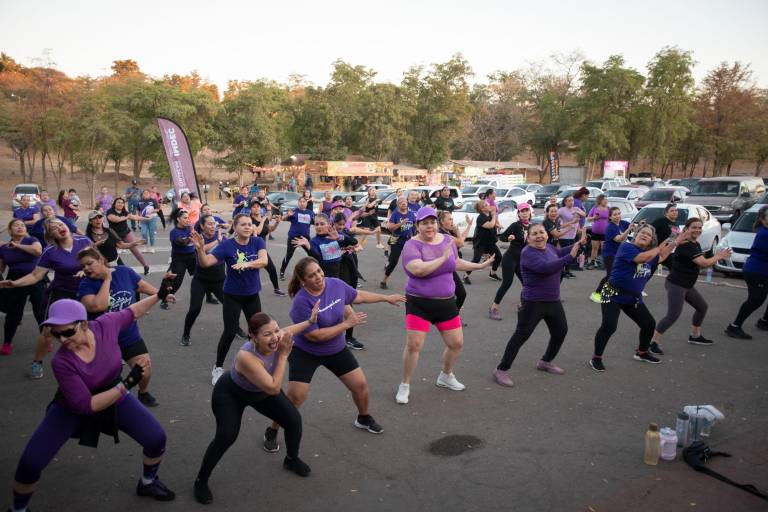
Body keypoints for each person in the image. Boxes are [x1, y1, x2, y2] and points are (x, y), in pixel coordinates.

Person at [9, 295, 176, 511]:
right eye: (56, 334)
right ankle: (18, 509)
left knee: (156, 438)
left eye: (68, 332)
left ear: (84, 323)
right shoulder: (62, 361)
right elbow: (86, 405)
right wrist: (127, 384)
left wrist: (159, 295)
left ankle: (148, 482)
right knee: (30, 463)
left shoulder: (105, 325)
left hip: (114, 392)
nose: (63, 339)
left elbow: (132, 311)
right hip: (72, 406)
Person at [263, 257, 404, 450]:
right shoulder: (301, 302)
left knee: (360, 385)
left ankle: (363, 417)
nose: (319, 277)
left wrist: (386, 298)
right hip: (306, 352)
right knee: (295, 397)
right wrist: (346, 324)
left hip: (335, 349)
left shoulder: (335, 285)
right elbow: (315, 336)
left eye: (319, 271)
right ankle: (273, 428)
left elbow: (358, 295)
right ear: (303, 281)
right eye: (312, 276)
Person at [193, 309, 319, 504]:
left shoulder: (279, 336)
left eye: (276, 330)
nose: (275, 337)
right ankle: (201, 480)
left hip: (259, 393)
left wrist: (310, 321)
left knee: (294, 420)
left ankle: (291, 459)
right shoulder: (246, 356)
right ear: (253, 336)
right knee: (226, 436)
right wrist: (284, 355)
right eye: (267, 334)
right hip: (231, 394)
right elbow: (273, 387)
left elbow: (292, 329)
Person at [395, 207, 495, 404]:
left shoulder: (448, 240)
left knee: (456, 343)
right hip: (419, 303)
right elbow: (418, 270)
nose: (429, 226)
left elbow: (455, 262)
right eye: (424, 223)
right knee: (414, 345)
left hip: (446, 302)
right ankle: (404, 384)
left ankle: (445, 376)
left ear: (437, 223)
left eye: (432, 222)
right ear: (418, 226)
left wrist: (480, 266)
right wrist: (441, 258)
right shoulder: (411, 245)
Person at [492, 224, 587, 388]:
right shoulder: (527, 253)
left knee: (560, 331)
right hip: (533, 303)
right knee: (521, 335)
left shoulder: (549, 247)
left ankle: (545, 361)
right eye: (534, 234)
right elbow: (546, 268)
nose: (539, 236)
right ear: (528, 238)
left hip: (553, 301)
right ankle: (501, 369)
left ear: (547, 235)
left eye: (541, 232)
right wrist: (570, 257)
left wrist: (577, 244)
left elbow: (560, 253)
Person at [0, 219, 92, 379]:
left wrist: (88, 269)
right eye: (53, 228)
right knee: (48, 331)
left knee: (92, 326)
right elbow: (36, 275)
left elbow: (99, 261)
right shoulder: (50, 251)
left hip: (86, 291)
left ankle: (96, 356)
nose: (58, 227)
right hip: (61, 292)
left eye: (60, 224)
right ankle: (37, 362)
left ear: (67, 226)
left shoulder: (84, 241)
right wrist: (15, 283)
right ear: (51, 235)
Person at [77, 247, 168, 407]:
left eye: (89, 263)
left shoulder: (124, 271)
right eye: (82, 266)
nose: (85, 268)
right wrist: (107, 280)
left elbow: (143, 286)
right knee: (109, 379)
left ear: (100, 259)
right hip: (102, 340)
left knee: (145, 370)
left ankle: (143, 392)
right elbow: (98, 306)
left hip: (128, 335)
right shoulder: (86, 285)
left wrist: (163, 295)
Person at [588, 225, 680, 372]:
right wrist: (661, 246)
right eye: (642, 232)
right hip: (611, 292)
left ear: (651, 240)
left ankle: (642, 352)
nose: (644, 235)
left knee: (649, 324)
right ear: (636, 235)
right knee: (609, 325)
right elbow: (641, 259)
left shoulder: (650, 254)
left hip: (632, 297)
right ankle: (596, 358)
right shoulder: (627, 247)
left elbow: (661, 257)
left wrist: (676, 241)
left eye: (648, 235)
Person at [190, 214, 268, 385]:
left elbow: (264, 260)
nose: (248, 227)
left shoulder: (257, 242)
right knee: (230, 332)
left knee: (257, 332)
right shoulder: (227, 245)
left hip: (252, 295)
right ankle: (217, 367)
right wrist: (200, 249)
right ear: (235, 227)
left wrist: (247, 264)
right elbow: (206, 263)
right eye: (243, 224)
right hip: (232, 295)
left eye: (249, 224)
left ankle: (254, 365)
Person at [651, 218, 732, 352]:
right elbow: (704, 263)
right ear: (686, 229)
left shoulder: (695, 243)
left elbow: (697, 264)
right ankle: (653, 343)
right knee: (673, 315)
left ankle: (695, 336)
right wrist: (719, 256)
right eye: (694, 227)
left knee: (702, 307)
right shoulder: (687, 245)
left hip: (686, 285)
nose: (697, 230)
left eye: (699, 228)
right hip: (676, 285)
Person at [0, 220, 45, 356]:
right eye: (16, 225)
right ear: (10, 230)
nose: (19, 227)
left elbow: (37, 251)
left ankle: (44, 339)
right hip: (15, 280)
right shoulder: (4, 248)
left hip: (35, 278)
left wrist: (18, 246)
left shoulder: (32, 240)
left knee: (40, 311)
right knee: (13, 313)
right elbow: (1, 268)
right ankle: (7, 342)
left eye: (22, 225)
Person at [181, 215, 226, 346]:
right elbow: (201, 249)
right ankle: (186, 333)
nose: (213, 226)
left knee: (230, 306)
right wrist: (218, 241)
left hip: (219, 280)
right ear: (202, 226)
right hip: (201, 280)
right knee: (194, 309)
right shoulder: (197, 238)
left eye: (214, 224)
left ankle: (235, 328)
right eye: (209, 224)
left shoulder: (222, 237)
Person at [726, 205, 768, 339]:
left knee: (758, 298)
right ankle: (734, 326)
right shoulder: (764, 234)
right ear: (763, 219)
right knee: (755, 299)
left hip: (762, 270)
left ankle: (764, 322)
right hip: (757, 271)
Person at [489, 203, 532, 321]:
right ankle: (493, 308)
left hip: (522, 260)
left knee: (527, 283)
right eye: (522, 211)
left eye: (526, 211)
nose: (524, 213)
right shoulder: (515, 225)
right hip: (510, 258)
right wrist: (508, 238)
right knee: (507, 283)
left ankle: (524, 305)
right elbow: (502, 237)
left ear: (530, 212)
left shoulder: (532, 227)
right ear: (518, 213)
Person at [590, 208, 635, 303]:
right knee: (610, 275)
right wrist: (628, 229)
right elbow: (618, 239)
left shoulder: (622, 223)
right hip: (609, 253)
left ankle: (621, 291)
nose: (618, 216)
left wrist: (639, 226)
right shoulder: (609, 227)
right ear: (610, 217)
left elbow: (633, 227)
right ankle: (597, 293)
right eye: (615, 214)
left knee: (623, 272)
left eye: (619, 213)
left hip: (620, 253)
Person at [292, 213, 358, 279]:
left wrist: (339, 237)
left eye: (322, 224)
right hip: (325, 276)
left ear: (328, 224)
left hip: (341, 273)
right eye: (316, 224)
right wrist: (308, 247)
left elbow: (354, 242)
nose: (319, 226)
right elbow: (317, 259)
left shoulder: (335, 234)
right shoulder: (314, 241)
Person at [437, 211, 473, 316]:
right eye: (449, 219)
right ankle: (451, 317)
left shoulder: (446, 231)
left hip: (449, 267)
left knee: (459, 294)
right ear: (442, 222)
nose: (452, 221)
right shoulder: (442, 234)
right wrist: (457, 231)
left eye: (452, 219)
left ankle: (452, 316)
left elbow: (461, 239)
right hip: (443, 269)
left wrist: (469, 225)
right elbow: (461, 242)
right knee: (458, 294)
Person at [380, 197, 417, 289]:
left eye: (405, 202)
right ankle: (384, 281)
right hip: (395, 239)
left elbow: (414, 227)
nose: (403, 203)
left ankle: (414, 283)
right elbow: (390, 228)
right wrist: (401, 223)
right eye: (401, 202)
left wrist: (415, 235)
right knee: (393, 262)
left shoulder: (411, 214)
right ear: (398, 205)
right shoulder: (395, 214)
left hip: (408, 240)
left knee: (413, 261)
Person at [250, 202, 286, 296]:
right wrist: (263, 219)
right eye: (254, 207)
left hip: (262, 250)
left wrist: (277, 223)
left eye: (258, 206)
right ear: (251, 209)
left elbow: (269, 230)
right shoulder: (250, 220)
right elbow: (257, 232)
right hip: (251, 249)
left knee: (272, 269)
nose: (256, 208)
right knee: (250, 272)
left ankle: (276, 289)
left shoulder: (264, 219)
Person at [463, 200, 502, 285]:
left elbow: (493, 224)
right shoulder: (480, 218)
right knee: (476, 260)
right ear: (482, 209)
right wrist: (494, 215)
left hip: (490, 242)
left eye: (487, 204)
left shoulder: (489, 215)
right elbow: (490, 225)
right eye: (485, 205)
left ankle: (492, 273)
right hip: (480, 243)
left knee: (498, 257)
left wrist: (498, 225)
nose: (488, 206)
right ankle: (465, 275)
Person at [107, 197, 149, 274]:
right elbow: (116, 219)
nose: (120, 204)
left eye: (122, 203)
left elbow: (135, 217)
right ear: (114, 204)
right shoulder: (110, 212)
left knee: (134, 250)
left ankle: (145, 265)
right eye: (118, 202)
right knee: (112, 252)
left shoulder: (124, 211)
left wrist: (145, 218)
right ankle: (115, 269)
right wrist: (127, 217)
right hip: (115, 235)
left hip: (126, 232)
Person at [165, 209, 197, 309]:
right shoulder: (174, 232)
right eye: (185, 218)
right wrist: (192, 234)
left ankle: (209, 296)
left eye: (188, 217)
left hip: (192, 256)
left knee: (202, 275)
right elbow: (182, 243)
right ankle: (164, 298)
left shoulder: (189, 228)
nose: (187, 220)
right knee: (177, 281)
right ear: (178, 219)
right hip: (179, 258)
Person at [280, 196, 314, 280]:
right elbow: (283, 219)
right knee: (288, 256)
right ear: (298, 203)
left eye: (304, 202)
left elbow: (315, 222)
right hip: (293, 237)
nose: (302, 203)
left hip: (305, 238)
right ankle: (282, 272)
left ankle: (314, 270)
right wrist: (287, 215)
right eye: (300, 202)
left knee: (312, 254)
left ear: (306, 203)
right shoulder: (294, 211)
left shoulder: (310, 213)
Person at [557, 194, 586, 272]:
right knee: (567, 253)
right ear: (565, 202)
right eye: (569, 201)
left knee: (573, 252)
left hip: (573, 234)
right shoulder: (562, 210)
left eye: (572, 200)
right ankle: (563, 270)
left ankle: (567, 271)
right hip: (564, 235)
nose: (571, 202)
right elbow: (555, 220)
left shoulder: (576, 208)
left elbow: (584, 214)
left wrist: (578, 212)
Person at [651, 203, 680, 268]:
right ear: (666, 213)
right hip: (657, 251)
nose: (675, 212)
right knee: (649, 270)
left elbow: (675, 238)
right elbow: (650, 230)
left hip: (669, 252)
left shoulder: (676, 224)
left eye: (676, 210)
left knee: (674, 269)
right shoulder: (660, 221)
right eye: (672, 211)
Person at [587, 194, 610, 269]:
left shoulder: (608, 209)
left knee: (604, 248)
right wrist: (594, 217)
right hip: (595, 231)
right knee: (595, 248)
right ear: (600, 200)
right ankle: (592, 262)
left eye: (606, 199)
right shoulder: (595, 208)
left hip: (605, 232)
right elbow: (588, 218)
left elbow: (612, 219)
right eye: (604, 199)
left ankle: (604, 262)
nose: (606, 201)